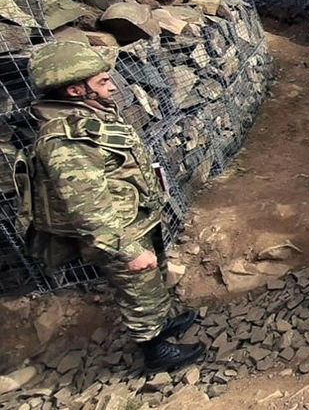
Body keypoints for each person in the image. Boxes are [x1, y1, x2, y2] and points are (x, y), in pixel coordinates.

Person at [26, 41, 206, 373]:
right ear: (76, 89)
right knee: (137, 287)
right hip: (120, 232)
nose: (112, 85)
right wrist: (127, 250)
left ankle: (160, 325)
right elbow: (86, 208)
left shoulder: (88, 115)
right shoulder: (66, 141)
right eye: (102, 81)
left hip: (135, 220)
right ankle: (155, 351)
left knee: (150, 282)